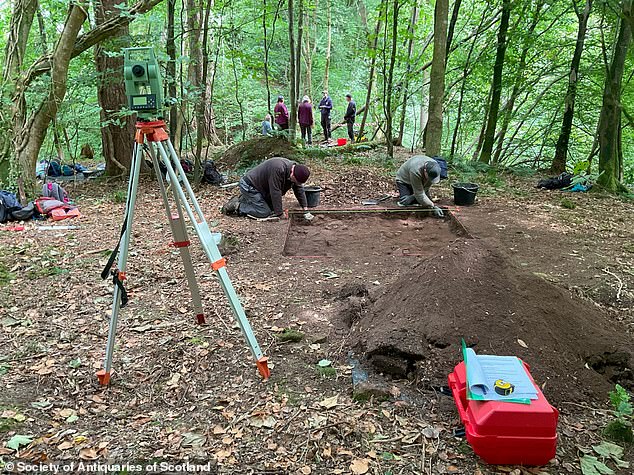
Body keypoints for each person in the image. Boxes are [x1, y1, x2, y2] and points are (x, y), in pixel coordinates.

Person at [222, 157, 313, 221]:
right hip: (250, 185)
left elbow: (299, 190)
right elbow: (275, 191)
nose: (295, 184)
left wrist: (305, 209)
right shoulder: (278, 168)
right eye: (295, 181)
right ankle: (237, 206)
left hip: (262, 188)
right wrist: (280, 214)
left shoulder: (296, 170)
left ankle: (244, 199)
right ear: (292, 174)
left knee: (273, 209)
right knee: (264, 212)